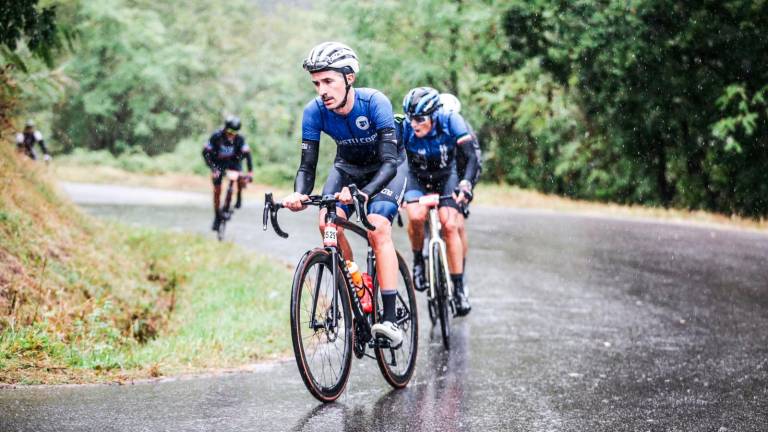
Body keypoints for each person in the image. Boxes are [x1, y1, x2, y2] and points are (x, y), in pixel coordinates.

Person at [281, 41, 408, 347]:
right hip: (347, 168)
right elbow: (307, 166)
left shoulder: (374, 102)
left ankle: (389, 319)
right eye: (316, 83)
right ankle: (355, 284)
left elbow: (390, 162)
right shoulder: (314, 112)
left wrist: (364, 194)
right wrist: (299, 195)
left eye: (328, 81)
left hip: (386, 168)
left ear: (349, 77)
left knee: (377, 227)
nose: (321, 90)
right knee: (326, 223)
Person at [400, 87, 479, 316]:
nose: (414, 124)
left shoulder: (451, 120)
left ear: (434, 115)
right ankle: (418, 262)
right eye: (410, 118)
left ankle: (458, 288)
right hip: (416, 177)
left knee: (450, 224)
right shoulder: (406, 128)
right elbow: (394, 160)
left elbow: (471, 156)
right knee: (416, 216)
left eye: (420, 119)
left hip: (447, 176)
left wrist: (466, 184)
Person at [440, 93, 482, 292]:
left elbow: (475, 162)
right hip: (440, 175)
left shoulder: (463, 129)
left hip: (461, 176)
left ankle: (460, 270)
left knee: (456, 224)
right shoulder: (432, 127)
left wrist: (467, 187)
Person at [202, 115, 253, 231]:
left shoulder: (240, 139)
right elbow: (205, 153)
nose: (231, 135)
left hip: (233, 162)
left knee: (239, 177)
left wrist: (250, 173)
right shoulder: (216, 136)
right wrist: (213, 169)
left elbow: (248, 156)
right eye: (229, 131)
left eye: (235, 132)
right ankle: (216, 216)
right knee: (217, 191)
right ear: (225, 129)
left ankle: (239, 195)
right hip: (218, 163)